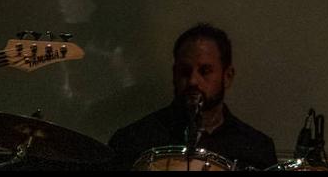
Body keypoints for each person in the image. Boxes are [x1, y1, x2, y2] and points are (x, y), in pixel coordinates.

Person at [108, 23, 277, 170]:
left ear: (227, 76)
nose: (193, 81)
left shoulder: (256, 147)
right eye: (185, 71)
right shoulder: (133, 139)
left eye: (205, 71)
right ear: (174, 74)